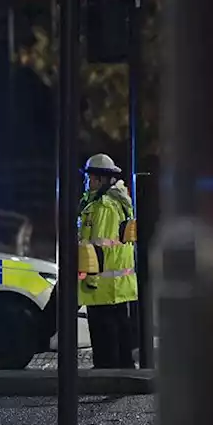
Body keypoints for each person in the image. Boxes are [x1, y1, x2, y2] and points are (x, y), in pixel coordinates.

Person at [77, 153, 139, 369]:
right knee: (120, 326)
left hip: (102, 282)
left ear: (101, 180)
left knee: (104, 330)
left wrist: (90, 278)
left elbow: (98, 245)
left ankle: (106, 373)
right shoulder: (120, 202)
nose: (87, 182)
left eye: (90, 178)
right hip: (118, 282)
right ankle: (122, 369)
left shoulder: (103, 206)